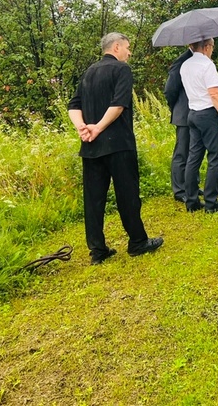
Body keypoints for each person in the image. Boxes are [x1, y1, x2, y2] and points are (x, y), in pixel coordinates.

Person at [68, 32, 164, 264]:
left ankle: (98, 250)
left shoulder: (89, 72)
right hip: (118, 143)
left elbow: (73, 105)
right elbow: (119, 104)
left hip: (91, 146)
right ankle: (137, 242)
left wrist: (82, 128)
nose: (129, 53)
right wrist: (98, 128)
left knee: (93, 199)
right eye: (128, 48)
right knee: (127, 194)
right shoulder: (122, 70)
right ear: (117, 47)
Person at [181, 37, 218, 213]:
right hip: (208, 113)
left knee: (193, 157)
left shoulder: (185, 65)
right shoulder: (207, 65)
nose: (212, 51)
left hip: (193, 113)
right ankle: (211, 202)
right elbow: (214, 93)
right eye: (212, 47)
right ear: (206, 47)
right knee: (215, 157)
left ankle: (192, 201)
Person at [163, 47, 199, 204]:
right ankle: (179, 190)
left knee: (194, 151)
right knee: (182, 152)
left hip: (196, 110)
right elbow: (169, 90)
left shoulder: (199, 59)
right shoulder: (181, 61)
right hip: (183, 112)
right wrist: (176, 108)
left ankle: (192, 185)